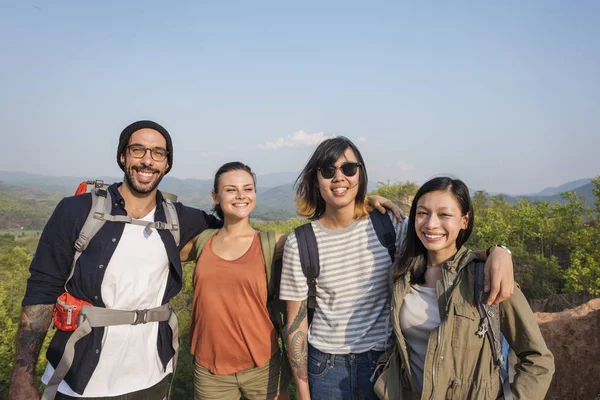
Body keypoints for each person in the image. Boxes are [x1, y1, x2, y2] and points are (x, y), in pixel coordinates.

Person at [279, 137, 515, 400]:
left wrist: (497, 252)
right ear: (315, 179)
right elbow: (296, 323)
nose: (338, 177)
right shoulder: (300, 242)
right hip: (326, 370)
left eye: (348, 169)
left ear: (360, 173)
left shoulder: (390, 225)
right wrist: (302, 391)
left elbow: (444, 252)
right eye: (327, 171)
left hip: (384, 365)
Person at [8, 120, 222, 400]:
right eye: (138, 150)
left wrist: (280, 242)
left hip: (153, 376)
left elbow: (231, 231)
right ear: (122, 156)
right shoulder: (76, 211)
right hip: (78, 379)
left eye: (158, 153)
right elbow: (42, 291)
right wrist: (22, 378)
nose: (148, 160)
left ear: (167, 164)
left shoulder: (179, 218)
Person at [388, 177, 554, 400]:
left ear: (464, 221)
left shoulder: (488, 278)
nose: (431, 224)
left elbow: (538, 359)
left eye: (444, 215)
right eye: (422, 213)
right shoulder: (403, 276)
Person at [179, 162, 291, 400]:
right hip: (210, 369)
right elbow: (158, 253)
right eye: (231, 189)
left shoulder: (273, 242)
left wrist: (363, 205)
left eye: (248, 189)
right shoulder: (202, 242)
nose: (241, 195)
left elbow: (322, 238)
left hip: (263, 366)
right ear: (215, 197)